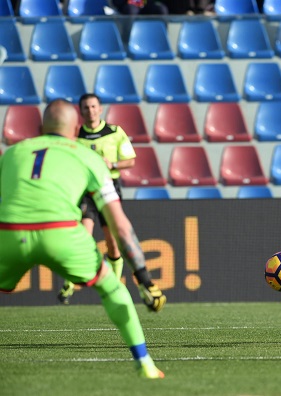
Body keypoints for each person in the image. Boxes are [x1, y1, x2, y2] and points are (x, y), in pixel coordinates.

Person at [0, 99, 166, 378]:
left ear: (41, 127)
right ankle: (145, 364)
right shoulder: (88, 157)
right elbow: (121, 227)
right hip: (61, 234)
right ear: (75, 127)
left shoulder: (12, 153)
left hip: (9, 234)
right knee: (112, 288)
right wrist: (144, 278)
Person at [58, 93, 137, 304]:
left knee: (112, 243)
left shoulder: (114, 132)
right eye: (86, 108)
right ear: (81, 111)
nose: (90, 111)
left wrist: (112, 165)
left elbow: (130, 161)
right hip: (86, 191)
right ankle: (68, 285)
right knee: (83, 237)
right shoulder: (75, 136)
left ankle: (116, 284)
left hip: (108, 189)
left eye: (93, 107)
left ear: (100, 109)